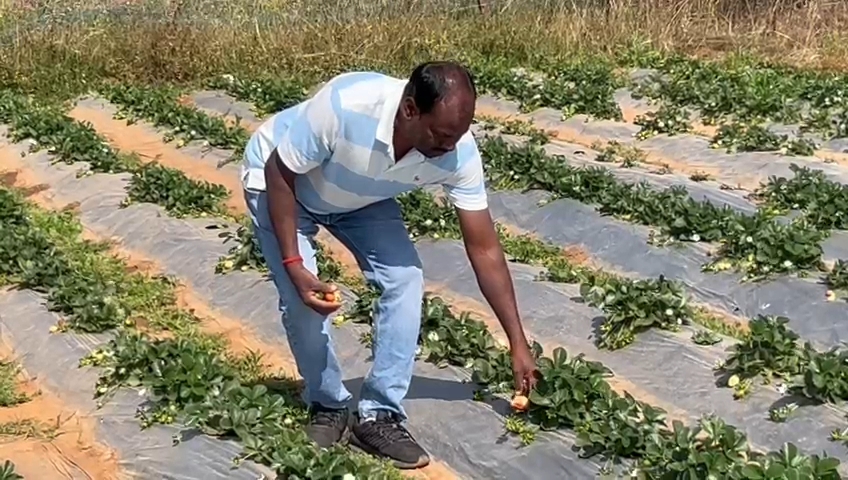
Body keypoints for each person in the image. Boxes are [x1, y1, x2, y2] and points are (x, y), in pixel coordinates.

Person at [241, 61, 539, 469]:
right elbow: (279, 170)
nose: (450, 147)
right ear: (410, 110)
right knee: (302, 300)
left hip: (360, 197)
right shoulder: (346, 106)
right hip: (283, 184)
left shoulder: (457, 150)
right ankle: (329, 406)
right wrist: (294, 264)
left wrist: (517, 341)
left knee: (405, 278)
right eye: (441, 135)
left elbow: (484, 249)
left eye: (459, 135)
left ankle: (379, 416)